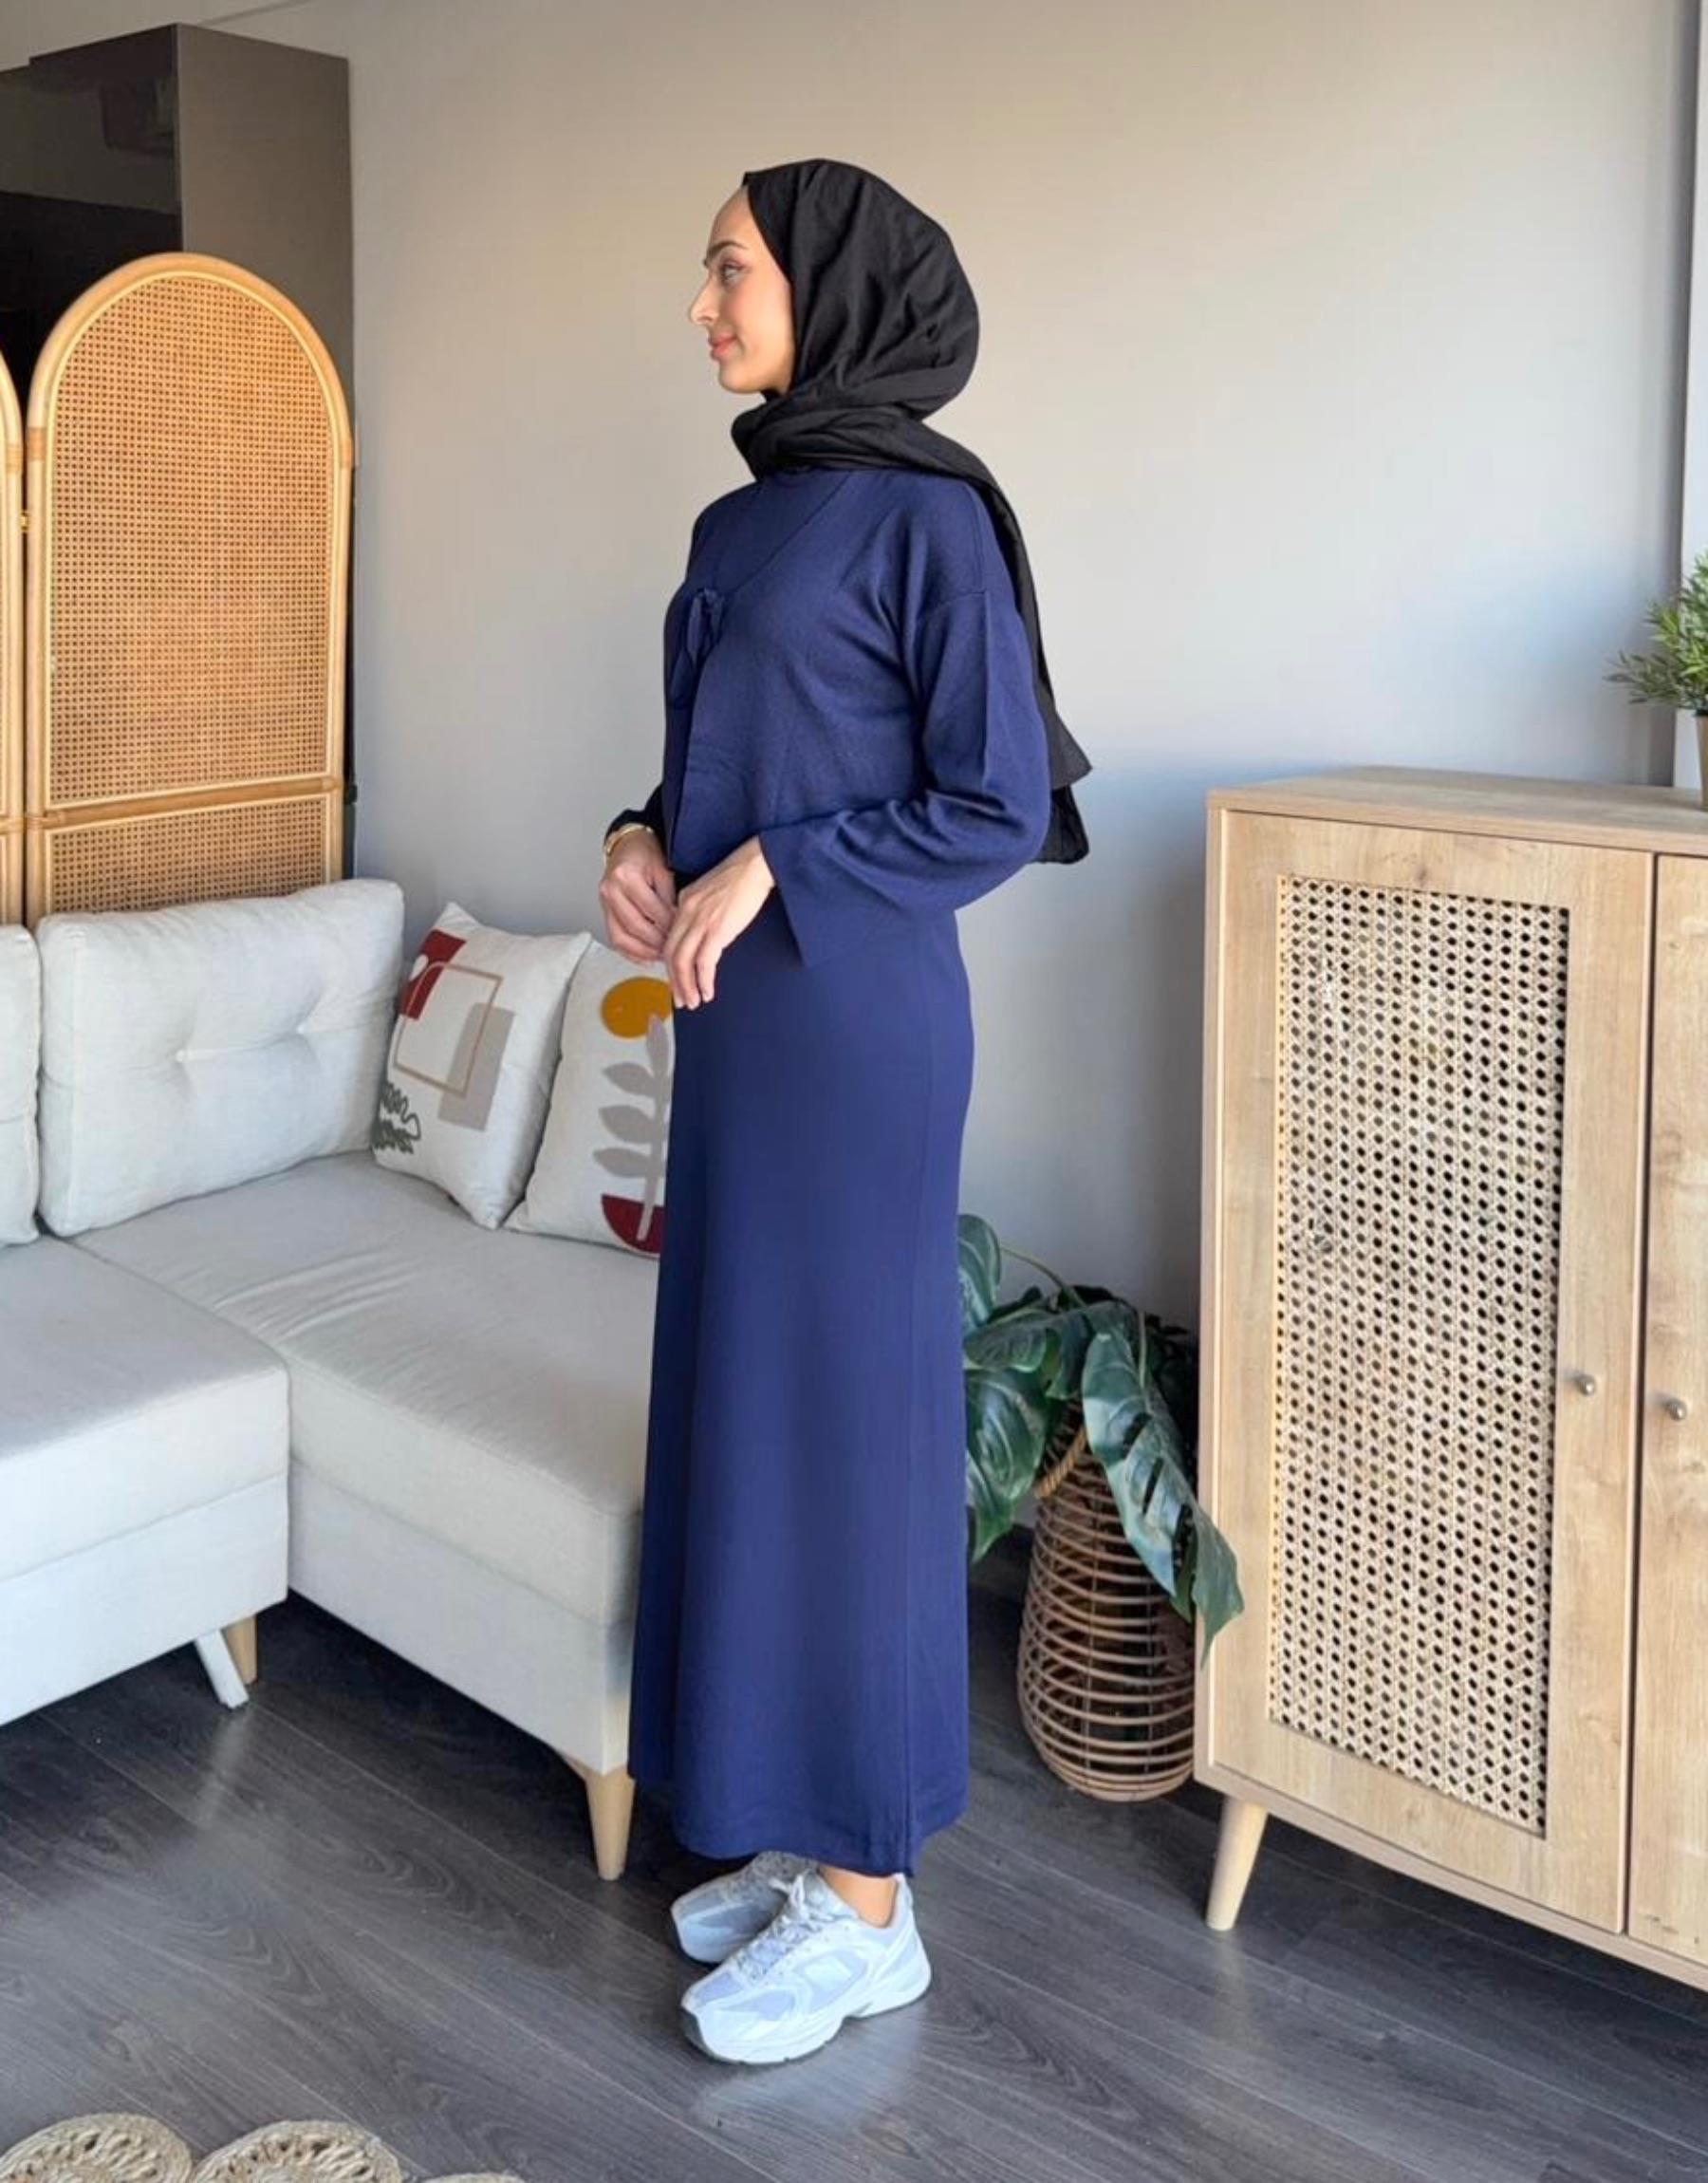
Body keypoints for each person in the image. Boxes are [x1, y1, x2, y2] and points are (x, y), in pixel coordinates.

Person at [598, 158, 1090, 2068]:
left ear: (834, 288)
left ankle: (875, 1907)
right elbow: (708, 772)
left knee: (855, 1439)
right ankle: (806, 1838)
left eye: (731, 267)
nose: (704, 303)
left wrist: (777, 866)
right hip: (737, 1027)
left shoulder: (930, 520)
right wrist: (642, 842)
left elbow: (994, 803)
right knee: (749, 1418)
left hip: (860, 1030)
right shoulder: (738, 521)